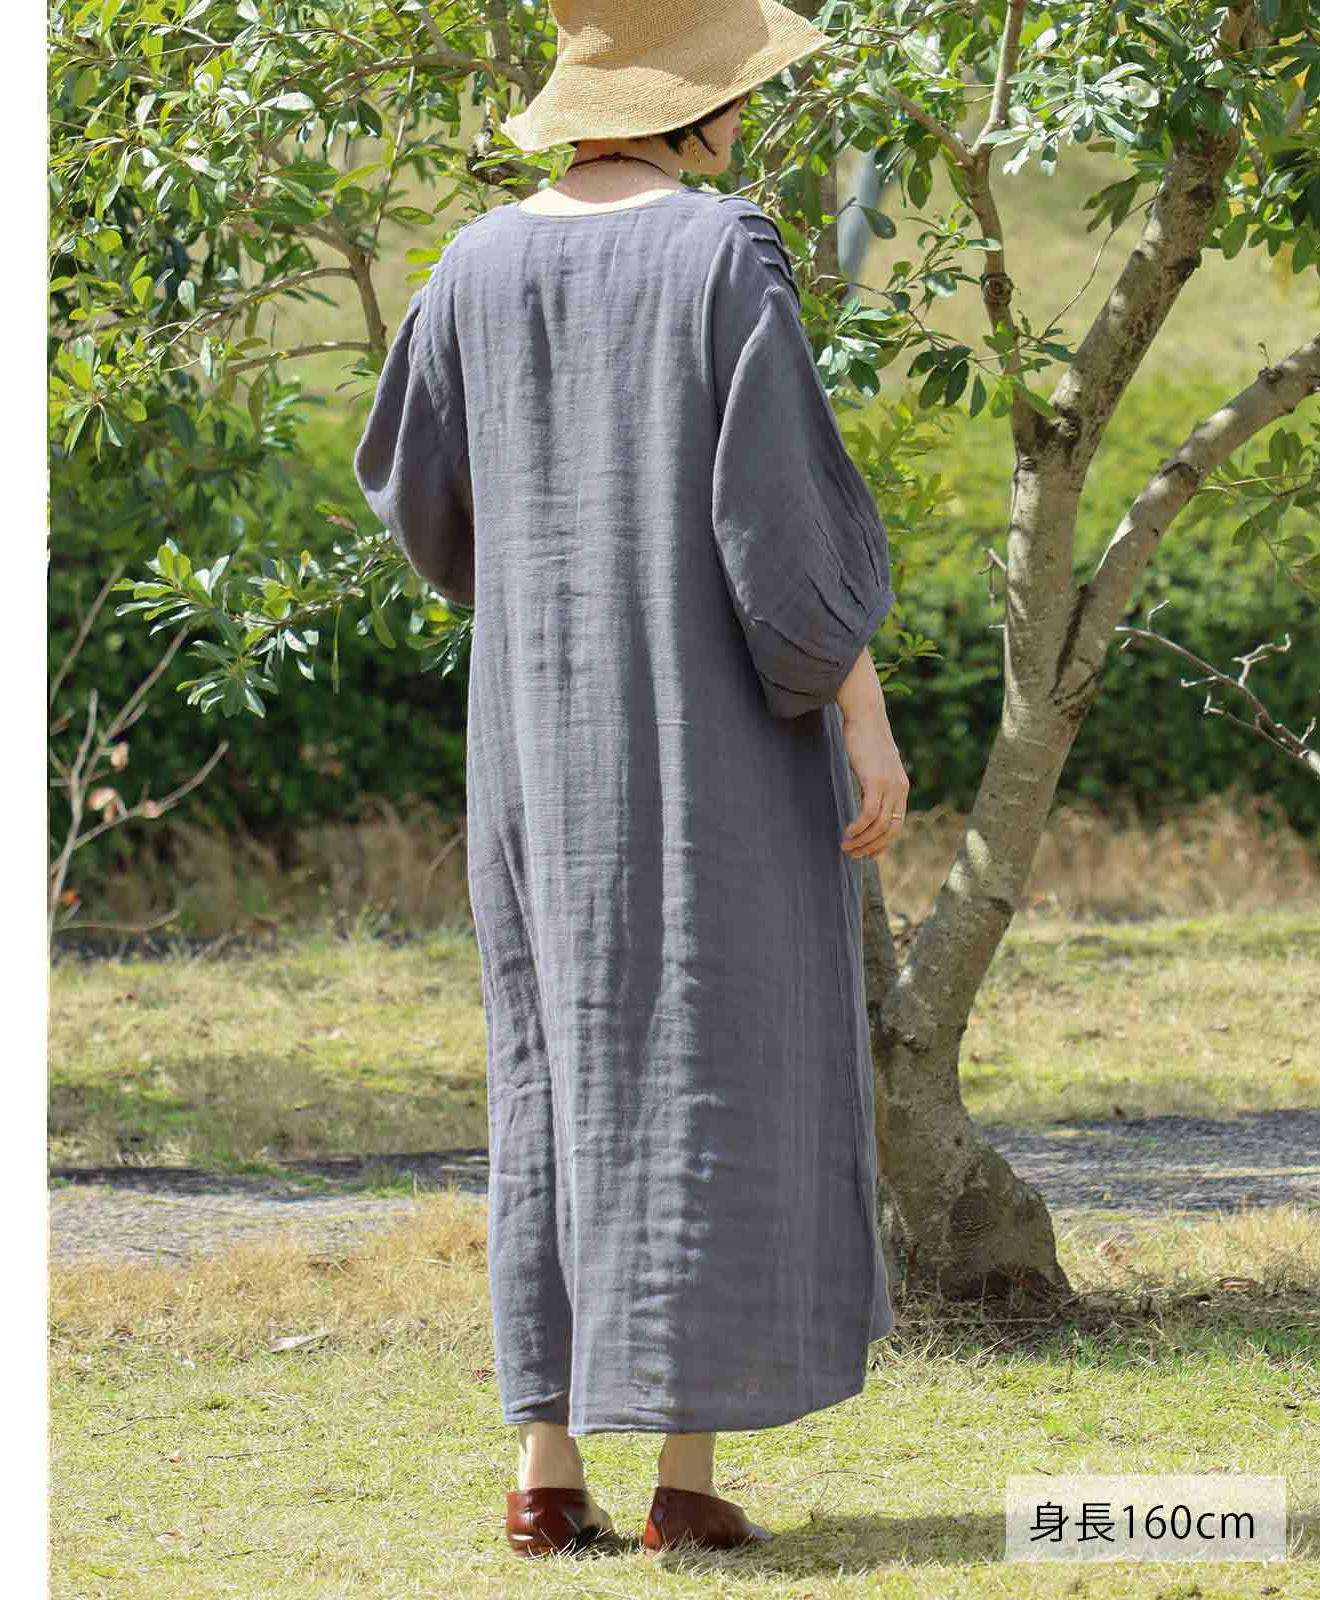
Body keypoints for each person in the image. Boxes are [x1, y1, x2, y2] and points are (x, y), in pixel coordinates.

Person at [353, 0, 910, 1560]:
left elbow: (420, 504)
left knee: (553, 1067)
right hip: (711, 729)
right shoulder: (723, 252)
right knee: (707, 1047)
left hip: (536, 742)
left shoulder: (472, 266)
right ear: (695, 107)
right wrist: (866, 718)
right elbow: (780, 532)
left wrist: (552, 578)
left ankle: (544, 1476)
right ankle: (682, 1478)